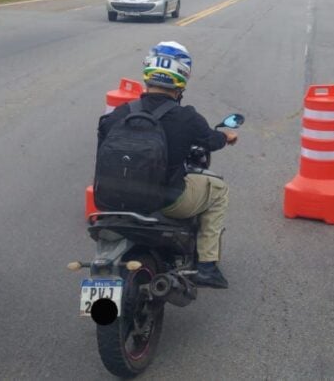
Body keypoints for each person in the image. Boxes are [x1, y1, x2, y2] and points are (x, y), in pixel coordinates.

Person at [97, 41, 237, 289]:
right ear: (182, 77)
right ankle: (207, 266)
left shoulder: (118, 114)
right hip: (165, 201)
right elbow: (212, 141)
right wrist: (226, 136)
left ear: (148, 72)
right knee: (219, 190)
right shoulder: (186, 117)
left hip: (111, 200)